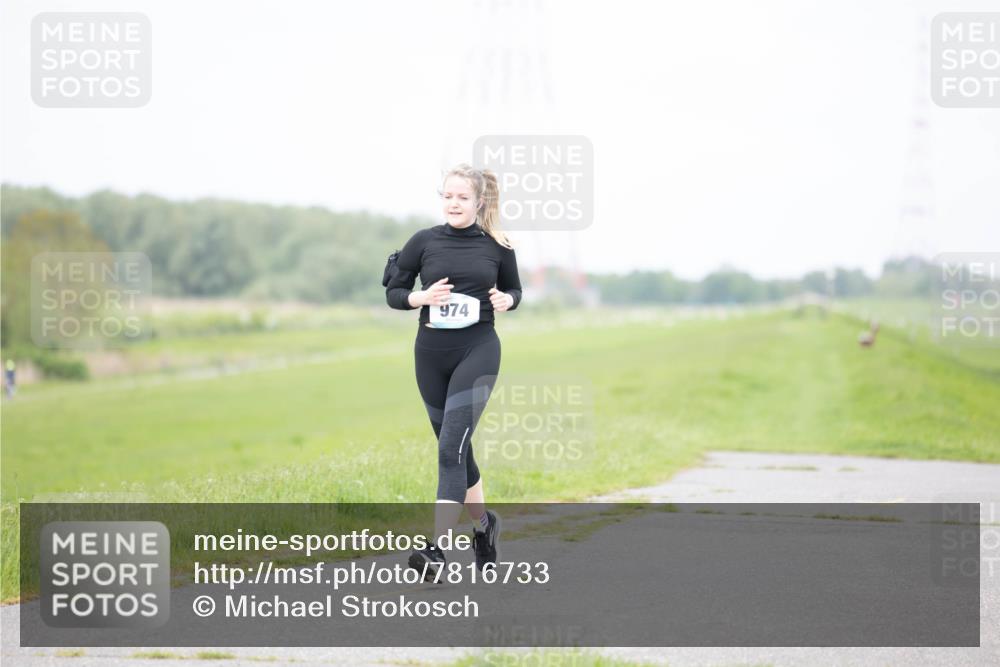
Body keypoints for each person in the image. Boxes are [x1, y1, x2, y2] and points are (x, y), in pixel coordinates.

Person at [385, 163, 522, 580]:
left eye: (462, 197)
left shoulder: (498, 245)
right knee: (458, 450)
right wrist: (419, 298)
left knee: (449, 450)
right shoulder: (423, 241)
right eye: (447, 196)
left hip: (478, 350)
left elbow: (515, 289)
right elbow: (394, 292)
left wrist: (507, 301)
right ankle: (484, 527)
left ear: (479, 201)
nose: (453, 203)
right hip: (430, 354)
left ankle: (437, 551)